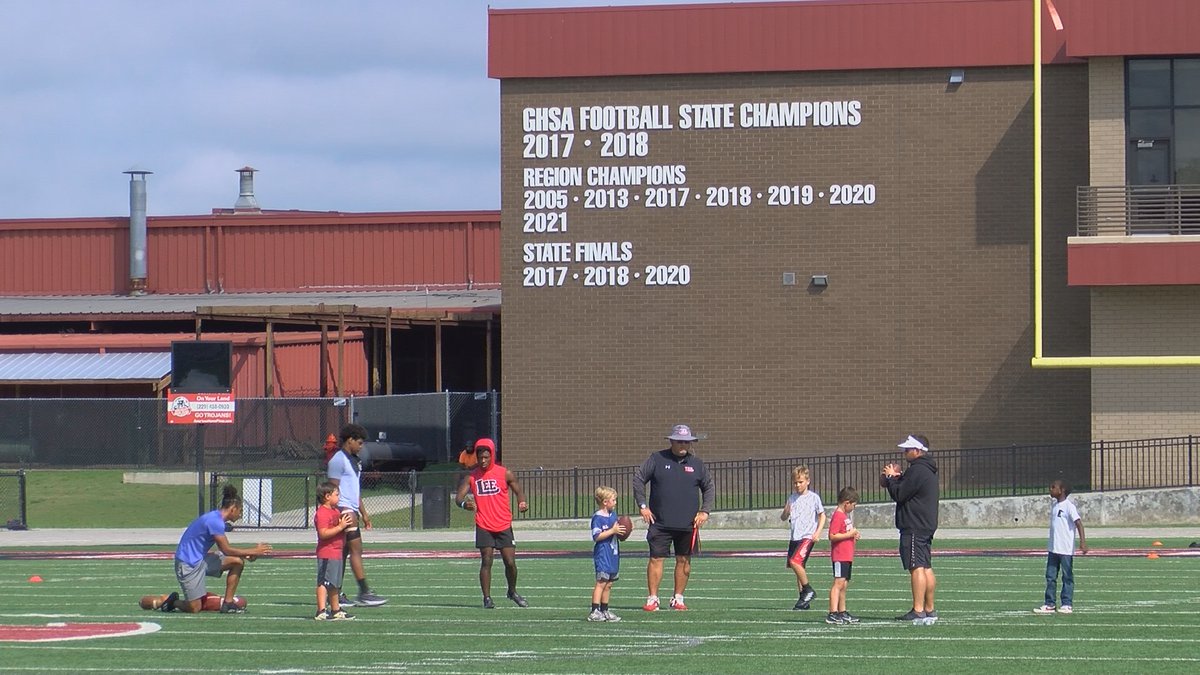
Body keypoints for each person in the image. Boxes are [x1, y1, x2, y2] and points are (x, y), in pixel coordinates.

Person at [143, 485, 272, 613]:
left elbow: (226, 551)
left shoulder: (217, 519)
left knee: (237, 562)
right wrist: (254, 551)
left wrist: (246, 555)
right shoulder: (215, 521)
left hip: (201, 560)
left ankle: (228, 603)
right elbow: (226, 550)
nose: (240, 515)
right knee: (194, 608)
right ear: (233, 509)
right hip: (188, 564)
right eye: (240, 510)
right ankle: (171, 601)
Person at [632, 423, 715, 612]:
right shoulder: (657, 458)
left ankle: (678, 597)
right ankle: (653, 598)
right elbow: (638, 479)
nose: (683, 445)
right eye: (679, 441)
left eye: (686, 441)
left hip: (687, 524)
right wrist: (643, 506)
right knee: (656, 559)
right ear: (671, 441)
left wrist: (705, 511)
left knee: (684, 560)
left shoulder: (697, 464)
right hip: (660, 522)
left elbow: (709, 487)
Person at [455, 437, 530, 609]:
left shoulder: (505, 473)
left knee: (510, 562)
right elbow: (459, 497)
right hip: (484, 524)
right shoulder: (472, 477)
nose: (482, 460)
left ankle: (512, 591)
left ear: (492, 455)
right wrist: (463, 504)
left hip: (503, 524)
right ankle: (487, 598)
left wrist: (522, 502)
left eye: (486, 457)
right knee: (486, 560)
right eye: (480, 457)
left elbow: (519, 491)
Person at [880, 433, 939, 625]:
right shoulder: (925, 470)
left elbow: (899, 493)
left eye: (908, 449)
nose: (905, 453)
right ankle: (929, 608)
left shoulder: (917, 471)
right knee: (926, 566)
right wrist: (893, 479)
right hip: (925, 524)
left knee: (916, 567)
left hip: (914, 524)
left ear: (918, 450)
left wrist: (891, 479)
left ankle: (918, 609)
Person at [327, 423, 387, 607]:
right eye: (359, 443)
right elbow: (331, 489)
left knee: (344, 553)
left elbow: (354, 490)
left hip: (351, 509)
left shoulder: (352, 460)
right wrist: (338, 513)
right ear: (350, 440)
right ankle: (364, 592)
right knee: (355, 550)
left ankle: (336, 594)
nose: (361, 447)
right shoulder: (338, 460)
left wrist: (364, 512)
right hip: (344, 510)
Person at [1034, 480, 1088, 615]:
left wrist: (1082, 542)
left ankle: (1067, 604)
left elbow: (1079, 524)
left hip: (1065, 549)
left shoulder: (1069, 506)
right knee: (1050, 576)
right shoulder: (1054, 506)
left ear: (1062, 490)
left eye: (1053, 487)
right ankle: (1050, 603)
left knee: (1067, 576)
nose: (1050, 489)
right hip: (1053, 549)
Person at [781, 465, 826, 610]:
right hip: (795, 536)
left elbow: (822, 515)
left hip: (807, 536)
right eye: (795, 482)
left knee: (795, 562)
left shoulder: (814, 497)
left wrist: (817, 532)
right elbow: (784, 517)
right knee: (798, 566)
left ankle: (808, 589)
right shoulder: (792, 498)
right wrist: (786, 512)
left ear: (808, 481)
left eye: (800, 482)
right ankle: (803, 598)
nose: (798, 485)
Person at [314, 480, 355, 621]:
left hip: (337, 552)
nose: (339, 497)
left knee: (334, 583)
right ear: (327, 496)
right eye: (336, 495)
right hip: (327, 552)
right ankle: (321, 610)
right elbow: (323, 533)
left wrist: (346, 524)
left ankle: (335, 609)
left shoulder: (335, 511)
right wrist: (340, 526)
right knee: (324, 582)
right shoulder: (322, 513)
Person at [588, 485, 628, 622]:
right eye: (613, 500)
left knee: (609, 583)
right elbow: (596, 536)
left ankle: (605, 610)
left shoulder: (613, 515)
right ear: (605, 502)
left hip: (613, 553)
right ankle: (594, 610)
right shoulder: (598, 517)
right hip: (603, 553)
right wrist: (612, 531)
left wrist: (625, 530)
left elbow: (619, 531)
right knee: (601, 582)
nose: (615, 502)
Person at [826, 486, 861, 625]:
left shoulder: (844, 516)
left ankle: (842, 611)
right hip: (840, 556)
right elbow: (832, 535)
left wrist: (853, 535)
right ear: (847, 502)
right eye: (853, 505)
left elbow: (845, 533)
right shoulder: (838, 515)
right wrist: (849, 534)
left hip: (847, 555)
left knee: (844, 584)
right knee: (838, 583)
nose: (854, 507)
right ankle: (832, 613)